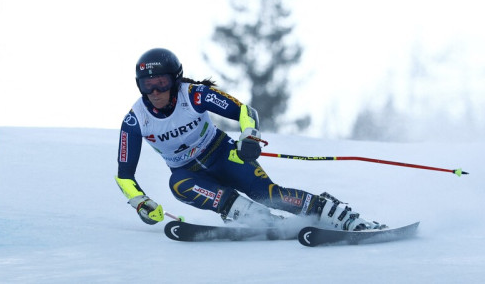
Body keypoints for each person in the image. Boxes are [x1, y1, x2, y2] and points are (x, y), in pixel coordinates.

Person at [115, 47, 383, 231]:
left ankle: (337, 215)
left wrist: (249, 135)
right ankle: (255, 219)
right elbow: (125, 176)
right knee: (178, 185)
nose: (154, 91)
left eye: (160, 83)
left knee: (268, 194)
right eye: (146, 85)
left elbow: (245, 111)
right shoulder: (135, 120)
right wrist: (140, 202)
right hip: (188, 173)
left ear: (174, 80)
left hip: (224, 154)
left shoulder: (194, 95)